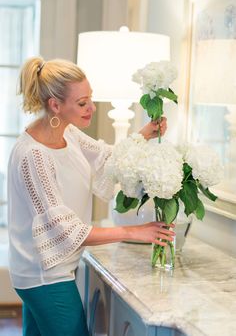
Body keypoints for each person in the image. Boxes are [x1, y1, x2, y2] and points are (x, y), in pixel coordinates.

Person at [7, 57, 175, 336]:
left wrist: (144, 134)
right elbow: (66, 231)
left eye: (90, 99)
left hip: (47, 271)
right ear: (55, 105)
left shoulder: (67, 133)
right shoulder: (34, 155)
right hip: (43, 276)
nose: (92, 109)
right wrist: (134, 232)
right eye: (82, 103)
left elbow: (107, 158)